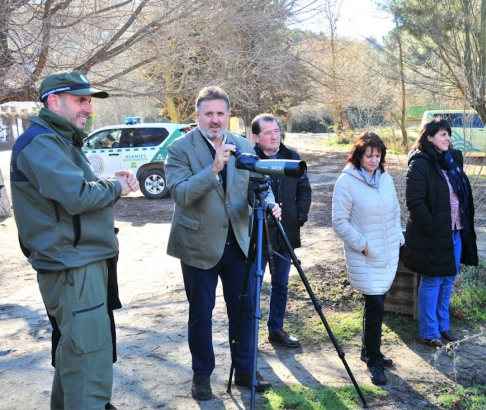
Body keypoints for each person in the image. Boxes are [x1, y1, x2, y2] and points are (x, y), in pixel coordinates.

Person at [10, 70, 139, 409]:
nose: (89, 109)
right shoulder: (41, 141)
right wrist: (116, 187)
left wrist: (110, 182)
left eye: (89, 101)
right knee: (88, 362)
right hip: (72, 268)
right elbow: (78, 196)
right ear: (54, 101)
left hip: (81, 264)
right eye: (81, 100)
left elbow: (75, 192)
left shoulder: (60, 139)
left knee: (74, 355)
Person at [165, 86, 281, 401]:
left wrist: (269, 201)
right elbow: (181, 194)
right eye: (208, 114)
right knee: (201, 313)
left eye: (220, 114)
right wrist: (214, 168)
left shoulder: (244, 145)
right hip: (198, 244)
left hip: (240, 243)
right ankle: (201, 375)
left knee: (244, 311)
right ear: (197, 115)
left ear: (228, 115)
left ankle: (245, 369)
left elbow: (258, 183)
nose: (215, 120)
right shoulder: (179, 149)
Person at [332, 132, 404, 386]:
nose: (374, 160)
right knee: (375, 307)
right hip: (365, 254)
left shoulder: (385, 180)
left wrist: (397, 235)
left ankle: (367, 350)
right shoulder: (346, 182)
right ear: (359, 155)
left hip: (387, 252)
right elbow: (339, 221)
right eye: (369, 155)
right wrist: (363, 245)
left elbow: (395, 210)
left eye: (378, 155)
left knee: (377, 304)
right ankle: (374, 360)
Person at [404, 118, 478, 349]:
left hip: (455, 231)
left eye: (448, 134)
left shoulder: (452, 160)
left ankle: (443, 326)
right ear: (429, 137)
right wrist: (432, 228)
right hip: (433, 234)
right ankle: (428, 332)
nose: (447, 138)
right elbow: (415, 202)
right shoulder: (420, 163)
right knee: (432, 280)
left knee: (448, 278)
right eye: (442, 134)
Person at [251, 114, 312, 348]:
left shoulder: (291, 157)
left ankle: (276, 329)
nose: (275, 136)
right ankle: (249, 334)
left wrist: (299, 216)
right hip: (256, 234)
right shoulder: (248, 160)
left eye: (277, 131)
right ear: (256, 138)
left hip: (285, 231)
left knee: (281, 284)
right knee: (253, 286)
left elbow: (304, 189)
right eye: (268, 133)